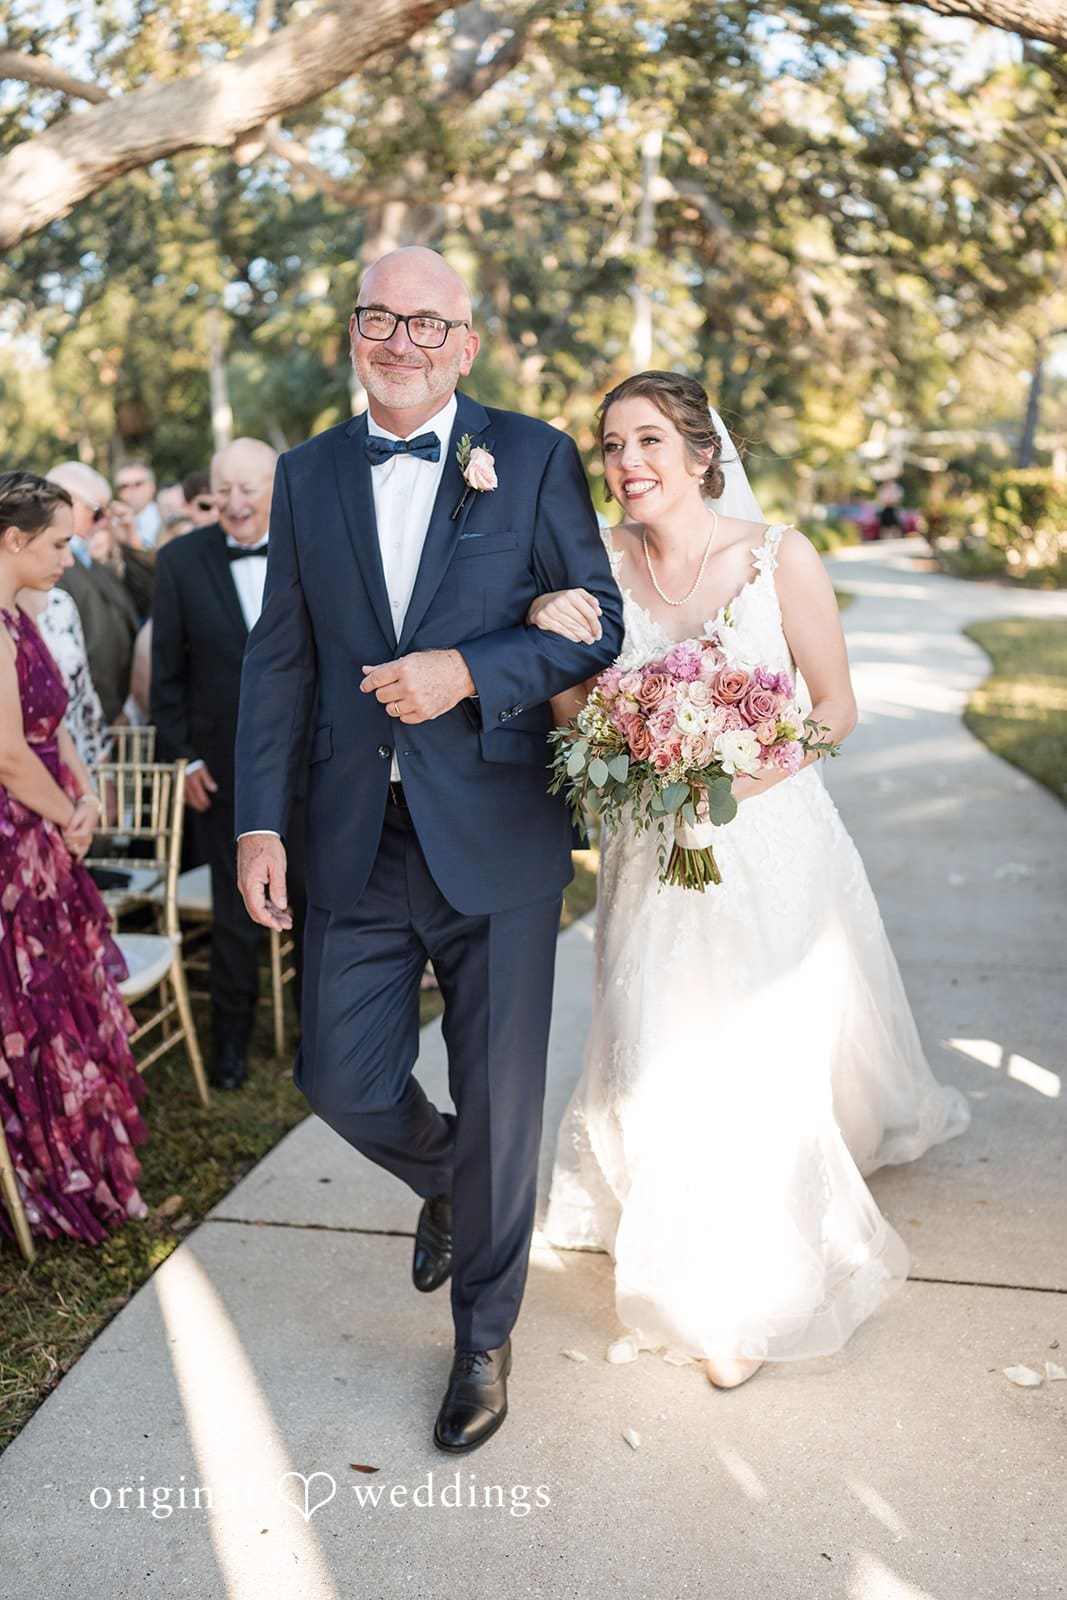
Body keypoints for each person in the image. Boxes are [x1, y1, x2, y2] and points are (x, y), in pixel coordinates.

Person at [234, 246, 623, 1453]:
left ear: (464, 341)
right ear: (352, 333)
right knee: (340, 1080)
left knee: (503, 1100)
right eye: (375, 319)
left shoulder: (537, 454)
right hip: (354, 835)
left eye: (422, 322)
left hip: (497, 831)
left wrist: (472, 669)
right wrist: (258, 820)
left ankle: (482, 1342)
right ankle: (455, 1183)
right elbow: (280, 661)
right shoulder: (304, 474)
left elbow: (594, 619)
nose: (395, 341)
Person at [534, 371, 970, 1388]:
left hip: (767, 839)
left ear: (698, 453)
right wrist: (562, 645)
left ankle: (736, 1298)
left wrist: (737, 769)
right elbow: (574, 725)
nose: (626, 462)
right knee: (658, 1044)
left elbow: (832, 706)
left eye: (647, 439)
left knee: (749, 1060)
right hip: (654, 853)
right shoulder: (594, 570)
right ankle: (675, 1226)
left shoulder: (778, 558)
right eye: (609, 446)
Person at [0, 471, 148, 1246]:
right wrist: (68, 819)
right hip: (17, 840)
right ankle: (35, 1173)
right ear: (13, 540)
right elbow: (8, 758)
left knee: (65, 996)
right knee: (31, 1004)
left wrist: (86, 800)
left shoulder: (22, 617)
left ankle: (75, 1161)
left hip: (52, 828)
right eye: (58, 543)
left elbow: (52, 723)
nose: (70, 555)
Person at [152, 438, 307, 1091]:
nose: (237, 503)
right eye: (225, 490)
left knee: (314, 905)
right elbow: (166, 679)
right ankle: (230, 1049)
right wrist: (184, 758)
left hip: (309, 764)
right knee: (233, 915)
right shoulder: (180, 561)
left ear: (276, 489)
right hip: (221, 774)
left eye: (251, 488)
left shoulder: (310, 549)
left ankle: (320, 1045)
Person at [47, 462, 142, 722]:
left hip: (112, 714)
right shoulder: (51, 568)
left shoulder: (92, 562)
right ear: (66, 503)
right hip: (84, 719)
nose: (105, 522)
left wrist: (131, 543)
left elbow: (148, 600)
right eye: (98, 512)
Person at [16, 585, 111, 768]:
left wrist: (97, 779)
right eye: (58, 553)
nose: (69, 560)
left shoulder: (61, 604)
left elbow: (84, 697)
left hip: (74, 769)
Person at [115, 459, 162, 548]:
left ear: (152, 486)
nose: (130, 491)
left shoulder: (164, 518)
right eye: (124, 486)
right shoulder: (113, 523)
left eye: (137, 484)